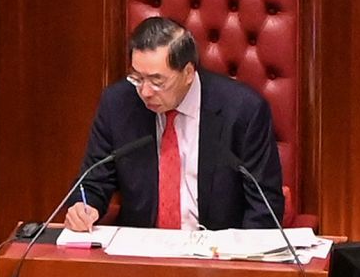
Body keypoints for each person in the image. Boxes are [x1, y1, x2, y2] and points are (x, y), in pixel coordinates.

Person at [63, 17, 285, 233]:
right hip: (141, 255)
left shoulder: (243, 110)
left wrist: (237, 264)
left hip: (218, 255)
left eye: (157, 81)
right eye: (137, 78)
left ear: (188, 72)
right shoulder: (118, 104)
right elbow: (93, 182)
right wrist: (84, 206)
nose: (145, 92)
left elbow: (264, 208)